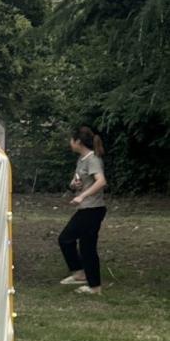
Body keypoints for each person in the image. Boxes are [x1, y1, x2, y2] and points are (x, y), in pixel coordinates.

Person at [58, 125, 108, 295]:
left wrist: (82, 196)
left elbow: (101, 181)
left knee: (84, 246)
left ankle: (94, 287)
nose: (70, 143)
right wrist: (74, 186)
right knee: (68, 240)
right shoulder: (82, 159)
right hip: (86, 209)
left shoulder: (93, 159)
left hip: (93, 209)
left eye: (71, 140)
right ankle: (80, 274)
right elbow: (77, 181)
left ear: (78, 141)